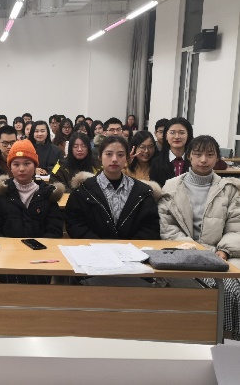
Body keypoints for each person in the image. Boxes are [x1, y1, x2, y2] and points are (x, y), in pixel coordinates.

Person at [158, 135, 240, 339]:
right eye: (197, 154)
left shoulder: (229, 188)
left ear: (217, 158)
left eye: (210, 155)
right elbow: (167, 228)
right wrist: (198, 252)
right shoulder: (171, 186)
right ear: (189, 156)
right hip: (184, 254)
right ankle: (218, 338)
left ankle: (228, 340)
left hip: (223, 255)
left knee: (233, 288)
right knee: (226, 290)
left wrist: (223, 251)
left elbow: (236, 227)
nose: (203, 160)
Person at [65, 136, 161, 240]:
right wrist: (98, 244)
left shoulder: (142, 191)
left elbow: (150, 225)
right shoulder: (84, 190)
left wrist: (130, 245)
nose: (114, 159)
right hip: (94, 247)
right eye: (109, 154)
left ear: (127, 158)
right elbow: (75, 223)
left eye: (120, 155)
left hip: (132, 248)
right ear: (100, 157)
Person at [0, 139, 64, 239]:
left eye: (27, 164)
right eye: (16, 164)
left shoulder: (47, 194)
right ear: (10, 167)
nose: (21, 169)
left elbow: (54, 230)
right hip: (8, 248)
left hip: (40, 247)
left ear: (35, 166)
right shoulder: (2, 193)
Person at [150, 117, 193, 188]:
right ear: (166, 136)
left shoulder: (194, 161)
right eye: (172, 132)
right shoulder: (156, 162)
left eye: (182, 132)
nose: (177, 136)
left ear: (188, 135)